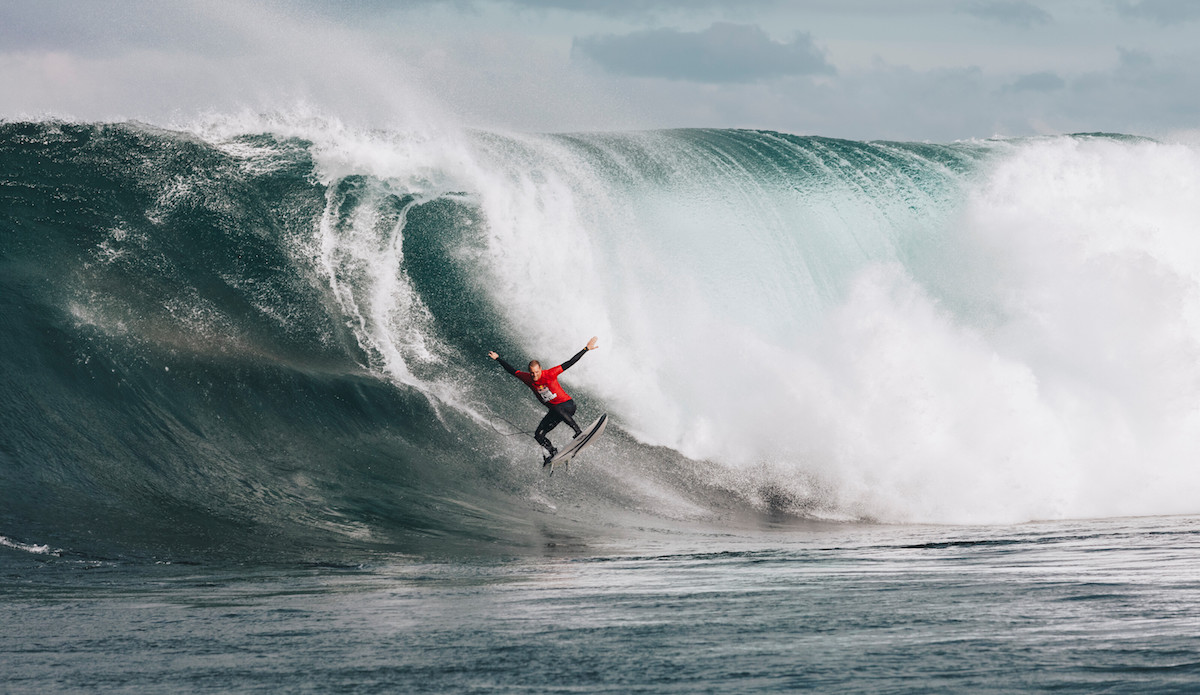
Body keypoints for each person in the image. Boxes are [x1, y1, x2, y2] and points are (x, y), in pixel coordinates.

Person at [489, 336, 599, 464]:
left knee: (556, 407)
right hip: (556, 411)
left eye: (536, 372)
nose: (534, 375)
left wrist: (585, 349)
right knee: (539, 435)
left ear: (540, 369)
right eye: (532, 373)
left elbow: (570, 362)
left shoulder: (550, 374)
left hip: (567, 406)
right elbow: (512, 371)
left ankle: (578, 432)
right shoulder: (528, 378)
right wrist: (498, 359)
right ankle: (553, 452)